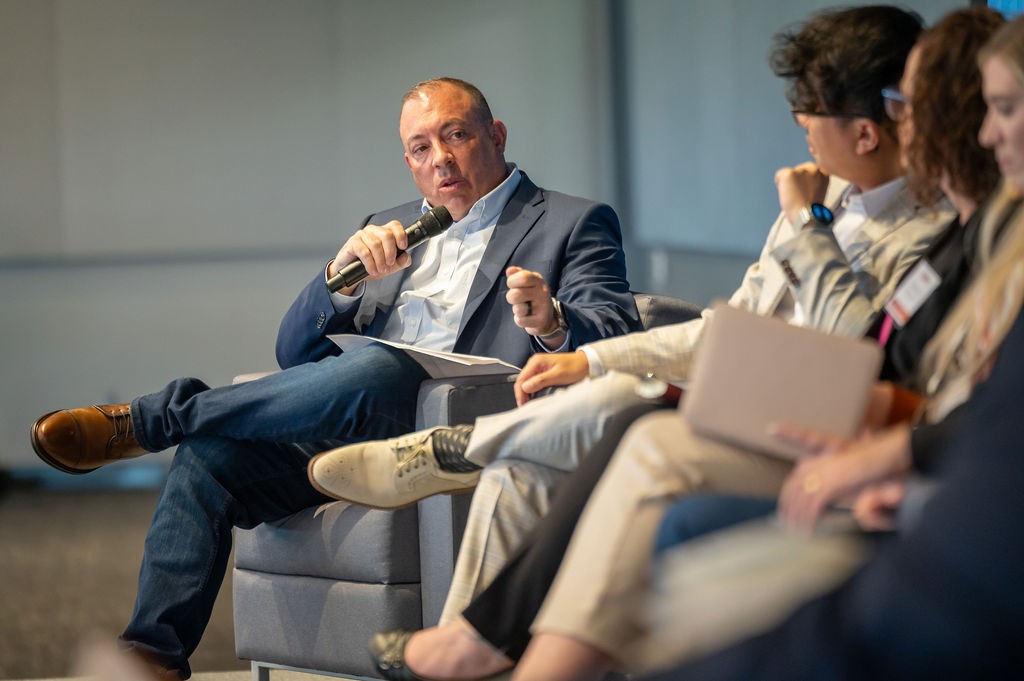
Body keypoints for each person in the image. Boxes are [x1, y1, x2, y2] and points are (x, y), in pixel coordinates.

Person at [325, 7, 951, 681]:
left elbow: (848, 348)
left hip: (810, 424)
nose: (800, 135)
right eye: (421, 146)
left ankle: (459, 451)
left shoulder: (917, 229)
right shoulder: (826, 201)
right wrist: (587, 358)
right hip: (739, 399)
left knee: (633, 414)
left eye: (810, 122)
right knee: (527, 465)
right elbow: (727, 327)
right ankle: (466, 643)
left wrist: (809, 223)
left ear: (864, 132)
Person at [28, 77, 641, 680]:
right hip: (355, 422)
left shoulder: (570, 220)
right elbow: (294, 351)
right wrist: (336, 280)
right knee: (208, 453)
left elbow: (616, 333)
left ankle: (150, 419)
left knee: (380, 365)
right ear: (409, 161)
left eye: (456, 134)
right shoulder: (391, 225)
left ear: (496, 135)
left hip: (458, 424)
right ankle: (153, 656)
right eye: (422, 147)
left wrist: (553, 320)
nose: (442, 158)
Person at [644, 22, 1024, 678]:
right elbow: (754, 324)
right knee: (634, 433)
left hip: (886, 452)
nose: (898, 128)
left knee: (655, 460)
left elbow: (869, 354)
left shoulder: (937, 231)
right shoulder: (960, 238)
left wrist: (807, 225)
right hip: (860, 433)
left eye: (906, 109)